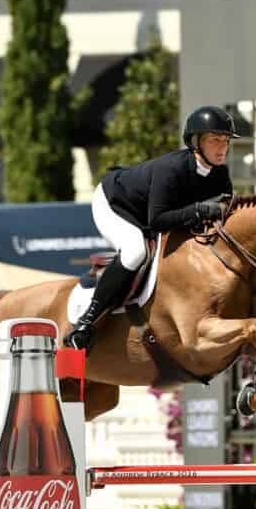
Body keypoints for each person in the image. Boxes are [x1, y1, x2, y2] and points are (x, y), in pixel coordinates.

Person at [64, 105, 239, 352]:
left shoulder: (220, 174)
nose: (222, 148)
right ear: (196, 141)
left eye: (226, 141)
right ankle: (87, 322)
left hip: (148, 212)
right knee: (136, 250)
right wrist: (199, 210)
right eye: (215, 140)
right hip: (115, 203)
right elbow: (157, 221)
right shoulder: (172, 169)